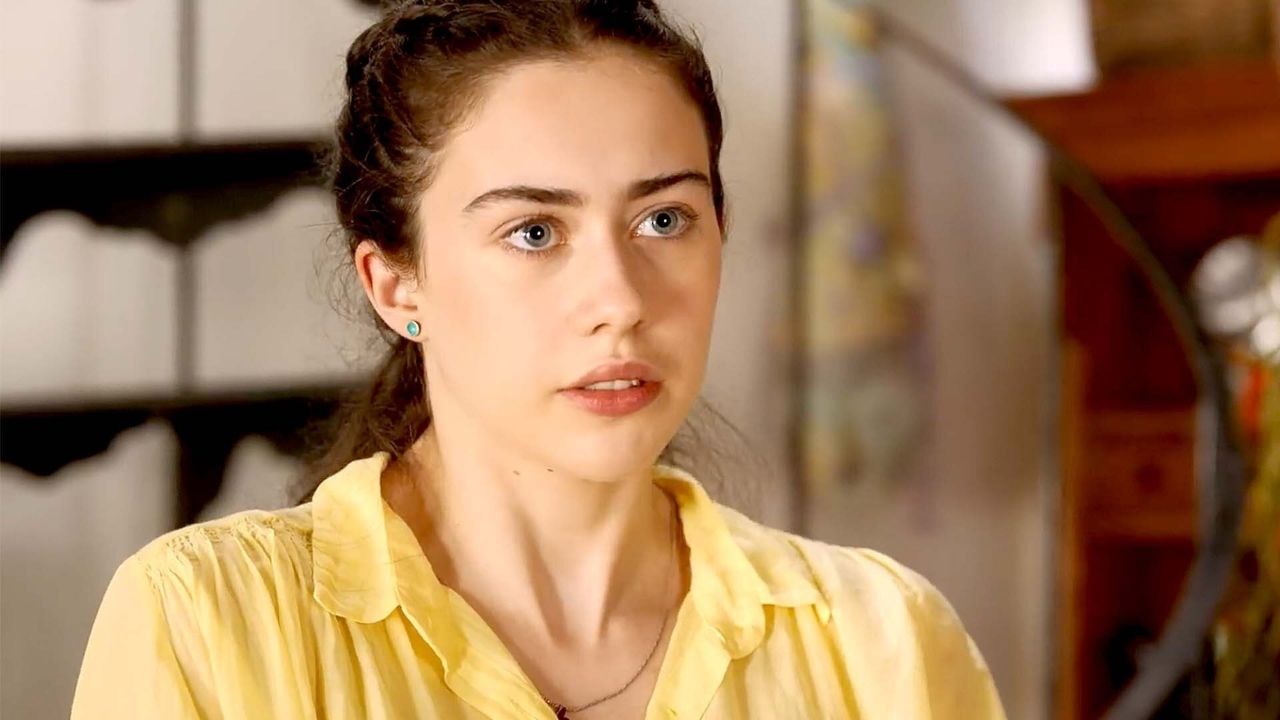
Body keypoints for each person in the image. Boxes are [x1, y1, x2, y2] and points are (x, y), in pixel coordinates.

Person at [70, 1, 1005, 718]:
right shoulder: (210, 624)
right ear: (396, 285)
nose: (621, 300)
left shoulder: (883, 645)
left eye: (664, 219)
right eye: (533, 232)